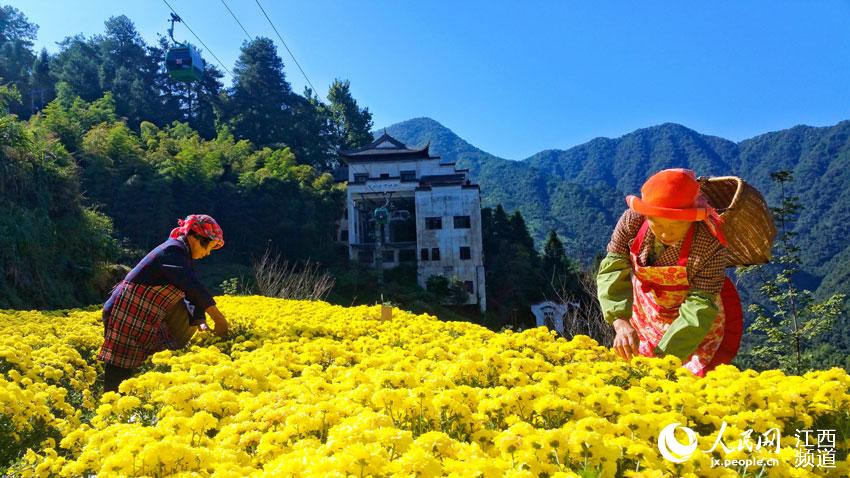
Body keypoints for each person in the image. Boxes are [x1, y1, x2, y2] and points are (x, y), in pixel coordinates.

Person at [596, 169, 742, 377]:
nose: (665, 233)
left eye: (675, 225)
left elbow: (700, 304)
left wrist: (665, 358)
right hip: (648, 311)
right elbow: (613, 268)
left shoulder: (710, 243)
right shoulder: (632, 221)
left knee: (684, 379)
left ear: (692, 218)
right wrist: (620, 322)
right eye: (657, 223)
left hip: (693, 320)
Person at [98, 214, 230, 392]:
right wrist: (219, 319)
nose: (207, 253)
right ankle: (109, 413)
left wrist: (201, 320)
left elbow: (188, 292)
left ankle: (127, 405)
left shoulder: (181, 254)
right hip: (126, 312)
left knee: (130, 369)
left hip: (140, 313)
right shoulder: (173, 250)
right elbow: (191, 285)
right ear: (195, 237)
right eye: (209, 247)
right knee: (118, 371)